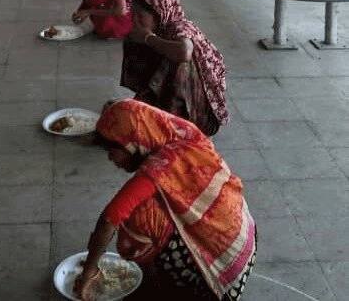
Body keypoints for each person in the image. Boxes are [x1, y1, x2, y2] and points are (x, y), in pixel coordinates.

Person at [74, 99, 257, 301]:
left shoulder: (163, 165)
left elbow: (110, 218)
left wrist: (88, 272)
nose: (111, 158)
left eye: (112, 150)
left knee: (140, 220)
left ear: (133, 139)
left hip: (223, 269)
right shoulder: (180, 134)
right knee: (151, 210)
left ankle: (175, 287)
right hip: (242, 239)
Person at [121, 0, 229, 136]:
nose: (135, 20)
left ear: (159, 14)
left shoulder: (179, 27)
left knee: (177, 61)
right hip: (176, 96)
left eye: (140, 16)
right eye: (133, 15)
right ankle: (149, 102)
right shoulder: (160, 28)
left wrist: (148, 38)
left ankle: (173, 122)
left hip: (199, 114)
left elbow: (184, 53)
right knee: (134, 41)